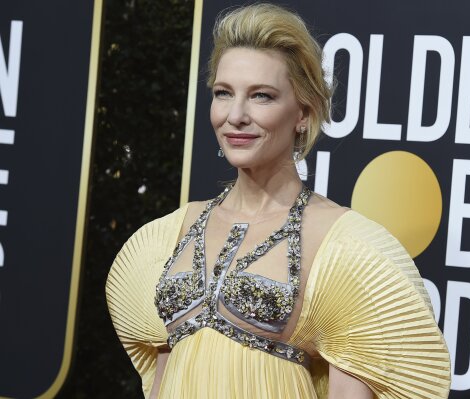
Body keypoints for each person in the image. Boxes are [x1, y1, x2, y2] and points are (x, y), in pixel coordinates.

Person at [106, 3, 451, 398]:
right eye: (223, 93)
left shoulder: (342, 247)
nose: (235, 115)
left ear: (303, 112)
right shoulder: (169, 233)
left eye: (261, 96)